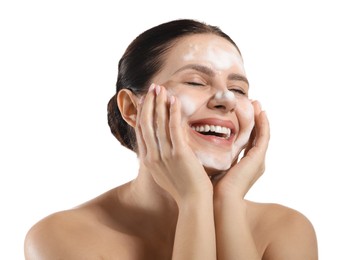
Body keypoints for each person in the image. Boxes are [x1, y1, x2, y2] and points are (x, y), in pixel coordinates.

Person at [24, 19, 318, 259]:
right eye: (195, 82)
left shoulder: (287, 230)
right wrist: (193, 200)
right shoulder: (61, 237)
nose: (227, 99)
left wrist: (227, 200)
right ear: (131, 108)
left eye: (239, 89)